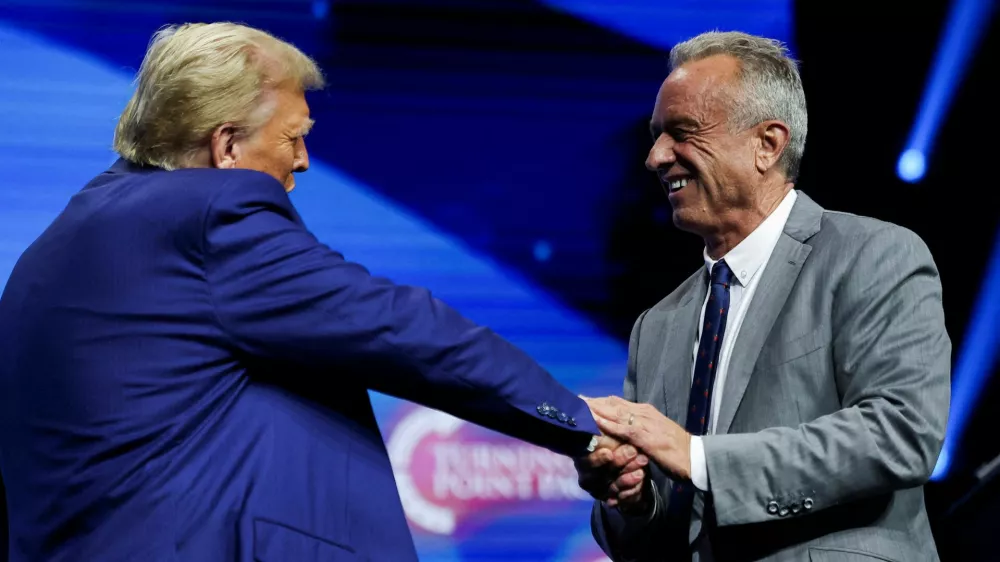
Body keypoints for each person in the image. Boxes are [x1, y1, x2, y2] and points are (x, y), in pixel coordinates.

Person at [0, 22, 635, 562]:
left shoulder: (64, 239)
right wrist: (583, 427)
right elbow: (401, 329)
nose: (303, 159)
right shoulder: (209, 218)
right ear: (227, 146)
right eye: (293, 136)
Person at [574, 31, 950, 561]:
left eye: (682, 132)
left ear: (768, 144)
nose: (656, 157)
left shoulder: (872, 255)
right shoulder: (656, 325)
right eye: (657, 137)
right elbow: (646, 535)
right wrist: (634, 499)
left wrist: (699, 458)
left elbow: (900, 434)